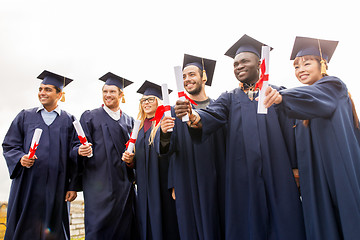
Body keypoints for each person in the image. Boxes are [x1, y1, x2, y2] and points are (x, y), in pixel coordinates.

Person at [174, 35, 306, 240]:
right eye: (235, 64)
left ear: (259, 63)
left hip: (277, 172)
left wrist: (296, 168)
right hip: (241, 175)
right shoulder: (229, 98)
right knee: (246, 225)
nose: (238, 66)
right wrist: (193, 115)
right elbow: (210, 114)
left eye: (244, 61)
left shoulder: (277, 93)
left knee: (284, 224)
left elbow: (292, 132)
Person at [266, 36, 360, 240]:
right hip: (316, 176)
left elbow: (315, 98)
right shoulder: (304, 104)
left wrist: (283, 97)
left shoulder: (334, 87)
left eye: (307, 63)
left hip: (338, 172)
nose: (301, 70)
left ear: (323, 64)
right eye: (297, 66)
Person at [2, 70, 80, 240]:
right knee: (24, 227)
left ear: (60, 94)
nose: (42, 93)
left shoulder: (69, 120)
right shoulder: (25, 116)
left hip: (57, 185)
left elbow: (74, 156)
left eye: (48, 89)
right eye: (40, 89)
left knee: (54, 228)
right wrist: (20, 158)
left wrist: (73, 185)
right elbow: (9, 145)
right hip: (27, 184)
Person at [161, 54, 226, 240]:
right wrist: (164, 133)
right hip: (187, 178)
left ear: (204, 77)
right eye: (183, 77)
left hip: (217, 176)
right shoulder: (176, 111)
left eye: (191, 74)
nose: (187, 80)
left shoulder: (219, 108)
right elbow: (168, 150)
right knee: (191, 228)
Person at [75, 72, 138, 240]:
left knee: (125, 231)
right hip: (98, 187)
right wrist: (79, 151)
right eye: (105, 91)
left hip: (124, 188)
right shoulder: (90, 117)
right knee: (98, 231)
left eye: (112, 92)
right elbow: (75, 147)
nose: (108, 95)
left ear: (121, 95)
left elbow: (136, 155)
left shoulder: (130, 121)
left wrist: (133, 162)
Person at [122, 80, 180, 240]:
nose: (146, 103)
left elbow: (176, 153)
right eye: (143, 100)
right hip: (144, 187)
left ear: (159, 101)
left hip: (164, 186)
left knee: (167, 225)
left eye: (150, 99)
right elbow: (137, 161)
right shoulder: (138, 128)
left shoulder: (166, 123)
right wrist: (130, 161)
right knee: (146, 225)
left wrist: (175, 183)